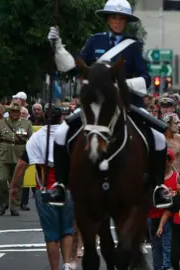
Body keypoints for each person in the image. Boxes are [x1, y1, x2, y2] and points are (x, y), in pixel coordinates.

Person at [45, 0, 170, 207]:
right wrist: (58, 46)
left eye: (121, 18)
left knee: (158, 138)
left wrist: (119, 83)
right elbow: (74, 67)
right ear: (107, 19)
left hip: (125, 103)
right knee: (60, 134)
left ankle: (158, 188)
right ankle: (59, 184)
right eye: (114, 17)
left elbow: (145, 79)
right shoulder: (94, 41)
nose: (118, 21)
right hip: (96, 104)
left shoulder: (134, 46)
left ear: (126, 21)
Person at [9, 105, 75, 270]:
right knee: (67, 229)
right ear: (61, 118)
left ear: (45, 118)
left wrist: (14, 187)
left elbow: (22, 164)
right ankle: (67, 264)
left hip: (45, 190)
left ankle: (55, 268)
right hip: (68, 189)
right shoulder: (71, 136)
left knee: (51, 234)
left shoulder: (37, 137)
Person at [0, 102, 33, 216]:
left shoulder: (27, 124)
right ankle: (3, 203)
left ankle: (15, 206)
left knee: (17, 183)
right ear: (9, 112)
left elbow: (31, 141)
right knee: (2, 180)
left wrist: (29, 157)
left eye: (17, 111)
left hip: (19, 156)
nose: (15, 113)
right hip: (4, 156)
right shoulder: (0, 123)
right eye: (13, 111)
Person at [147, 150, 178, 270]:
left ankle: (167, 267)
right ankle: (157, 268)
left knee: (167, 245)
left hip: (169, 217)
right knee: (155, 246)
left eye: (166, 159)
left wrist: (175, 195)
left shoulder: (176, 177)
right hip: (153, 215)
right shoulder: (151, 177)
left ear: (171, 161)